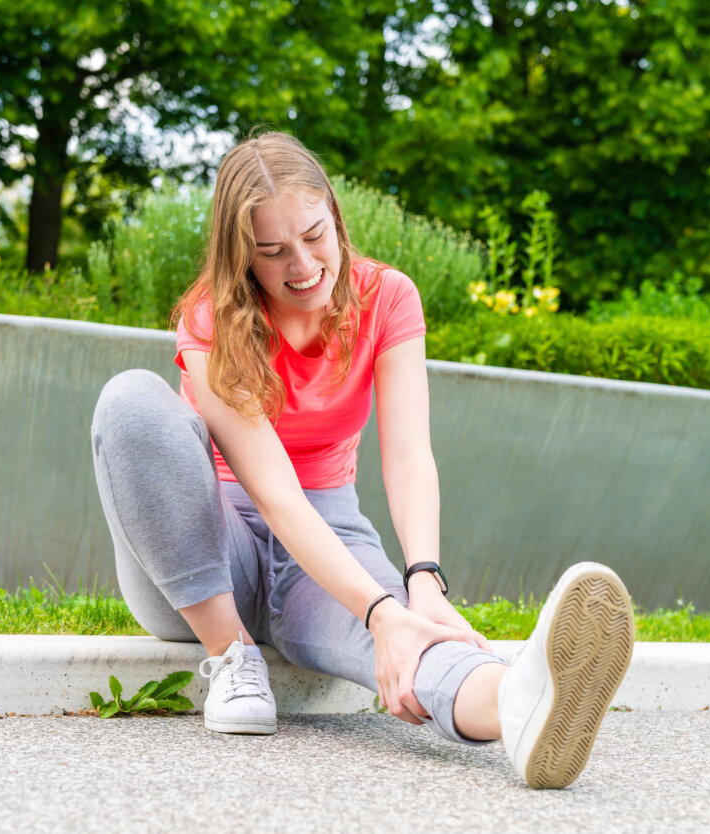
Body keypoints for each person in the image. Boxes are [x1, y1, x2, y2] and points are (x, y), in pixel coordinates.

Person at [90, 131, 634, 789]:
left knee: (408, 638)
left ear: (337, 218)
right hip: (205, 548)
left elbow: (407, 454)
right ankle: (230, 655)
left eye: (315, 236)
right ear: (242, 258)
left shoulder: (389, 297)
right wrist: (379, 608)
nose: (303, 265)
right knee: (131, 402)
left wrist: (422, 585)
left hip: (328, 537)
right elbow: (273, 494)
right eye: (272, 252)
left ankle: (517, 704)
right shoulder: (211, 318)